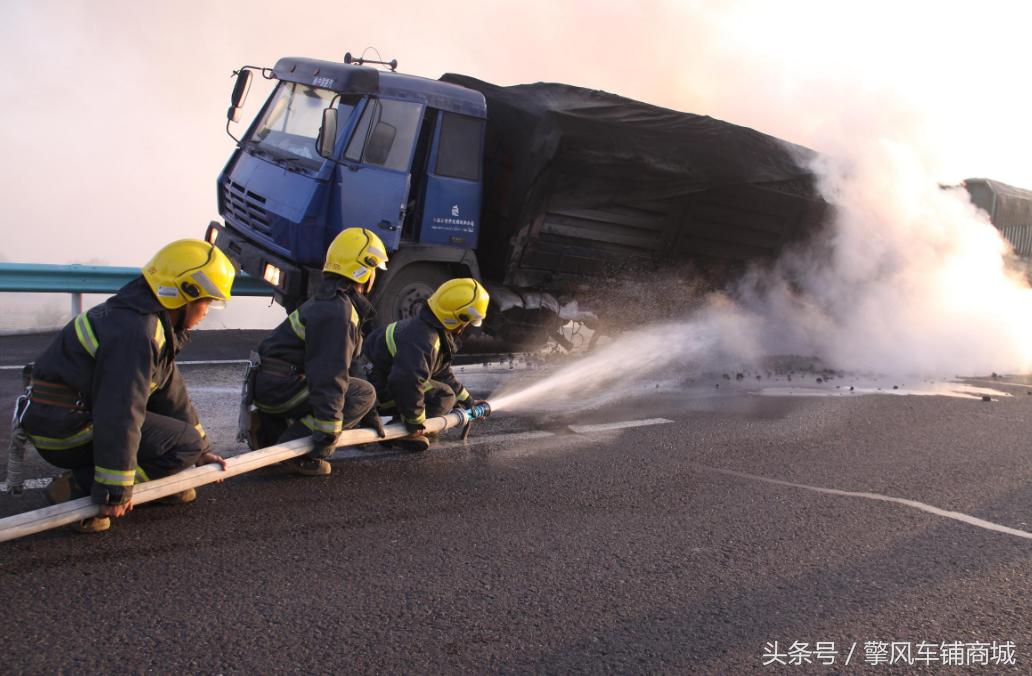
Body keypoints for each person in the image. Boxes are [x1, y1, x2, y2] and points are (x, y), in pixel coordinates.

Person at [16, 239, 235, 533]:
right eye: (207, 300)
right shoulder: (138, 334)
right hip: (65, 431)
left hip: (60, 419)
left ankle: (155, 482)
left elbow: (171, 395)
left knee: (188, 446)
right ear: (185, 294)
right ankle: (80, 488)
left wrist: (202, 452)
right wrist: (113, 490)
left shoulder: (145, 320)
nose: (208, 310)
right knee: (183, 445)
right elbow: (120, 412)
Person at [247, 227, 387, 476]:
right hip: (281, 387)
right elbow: (329, 375)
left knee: (361, 395)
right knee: (363, 394)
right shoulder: (338, 312)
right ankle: (294, 451)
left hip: (274, 383)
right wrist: (327, 434)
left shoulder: (330, 302)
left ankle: (273, 430)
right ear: (364, 271)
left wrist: (370, 415)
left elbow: (348, 364)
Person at [363, 277, 490, 451]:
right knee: (444, 396)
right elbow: (407, 381)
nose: (466, 326)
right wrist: (415, 422)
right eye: (467, 320)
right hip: (374, 390)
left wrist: (469, 401)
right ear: (457, 316)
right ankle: (403, 432)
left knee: (446, 391)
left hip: (378, 380)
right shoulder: (425, 340)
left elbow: (442, 373)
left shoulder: (429, 330)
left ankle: (402, 425)